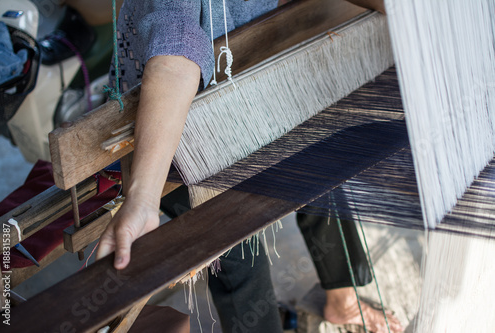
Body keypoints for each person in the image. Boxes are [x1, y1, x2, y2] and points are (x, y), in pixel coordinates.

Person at [57, 0, 401, 331]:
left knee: (320, 170)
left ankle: (343, 299)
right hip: (170, 135)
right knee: (237, 246)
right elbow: (175, 61)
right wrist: (143, 198)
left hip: (250, 92)